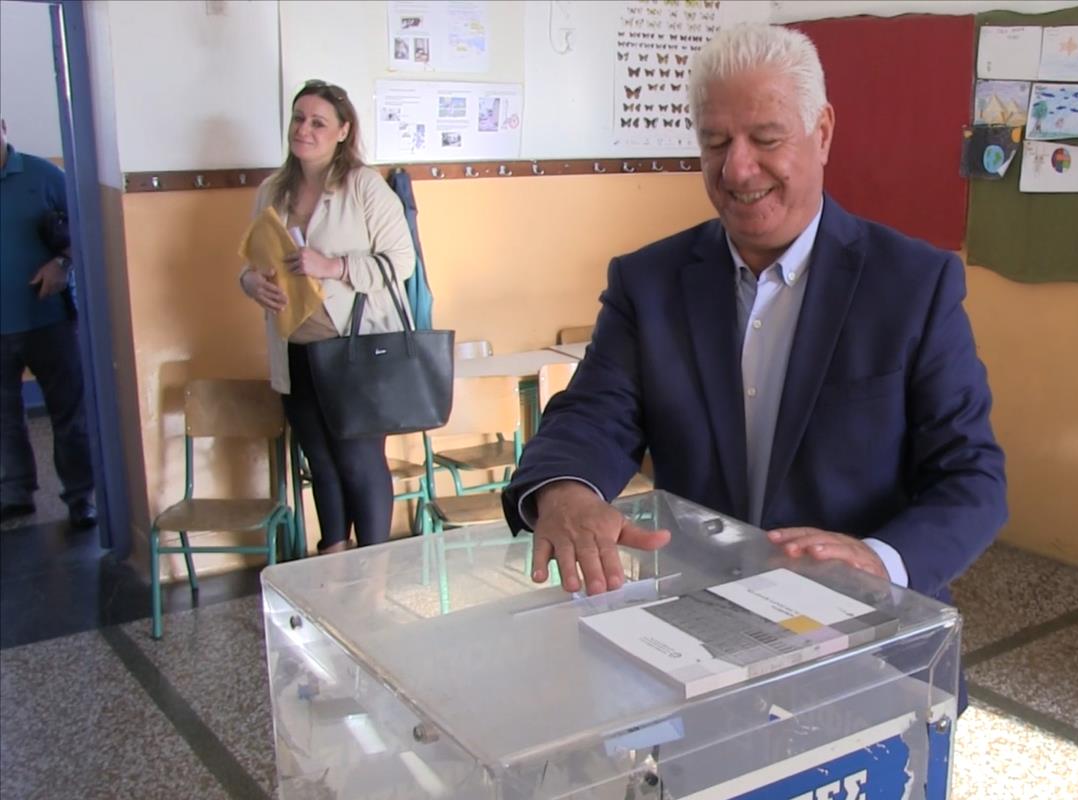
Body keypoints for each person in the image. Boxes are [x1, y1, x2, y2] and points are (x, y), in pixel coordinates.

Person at [502, 25, 1007, 605]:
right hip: (702, 619)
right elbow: (594, 413)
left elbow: (971, 476)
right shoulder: (649, 283)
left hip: (863, 621)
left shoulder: (913, 285)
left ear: (822, 133)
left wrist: (878, 561)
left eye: (766, 139)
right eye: (716, 142)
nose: (738, 170)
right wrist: (565, 489)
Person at [240, 81, 414, 554]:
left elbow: (401, 262)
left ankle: (374, 569)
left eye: (318, 122)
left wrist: (333, 266)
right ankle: (333, 560)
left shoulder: (364, 186)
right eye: (299, 119)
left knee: (358, 461)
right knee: (321, 462)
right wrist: (251, 283)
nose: (304, 130)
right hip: (295, 347)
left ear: (343, 131)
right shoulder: (272, 190)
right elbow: (253, 261)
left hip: (354, 351)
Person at [0, 118, 96, 529]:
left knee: (70, 414)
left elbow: (85, 230)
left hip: (49, 321)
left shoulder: (43, 176)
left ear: (3, 126)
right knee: (4, 418)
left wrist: (62, 264)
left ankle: (81, 497)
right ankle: (16, 494)